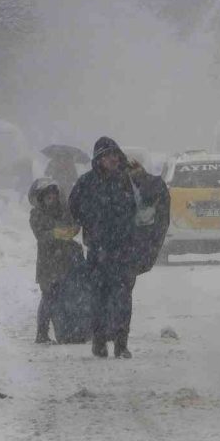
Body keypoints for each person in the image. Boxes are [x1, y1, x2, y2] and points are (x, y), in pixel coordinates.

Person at [68, 137, 138, 359]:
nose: (112, 159)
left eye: (115, 155)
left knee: (123, 298)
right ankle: (99, 342)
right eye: (107, 156)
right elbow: (73, 207)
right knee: (99, 299)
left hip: (123, 249)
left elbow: (142, 204)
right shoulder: (86, 183)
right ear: (99, 159)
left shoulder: (126, 180)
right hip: (98, 252)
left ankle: (121, 343)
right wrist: (91, 222)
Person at [28, 178, 82, 344]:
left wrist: (71, 231)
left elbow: (74, 225)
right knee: (48, 297)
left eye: (54, 197)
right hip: (47, 262)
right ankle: (42, 333)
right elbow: (40, 235)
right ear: (41, 198)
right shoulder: (36, 214)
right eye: (48, 197)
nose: (52, 200)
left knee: (66, 296)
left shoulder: (64, 210)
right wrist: (55, 234)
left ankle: (69, 331)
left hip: (65, 260)